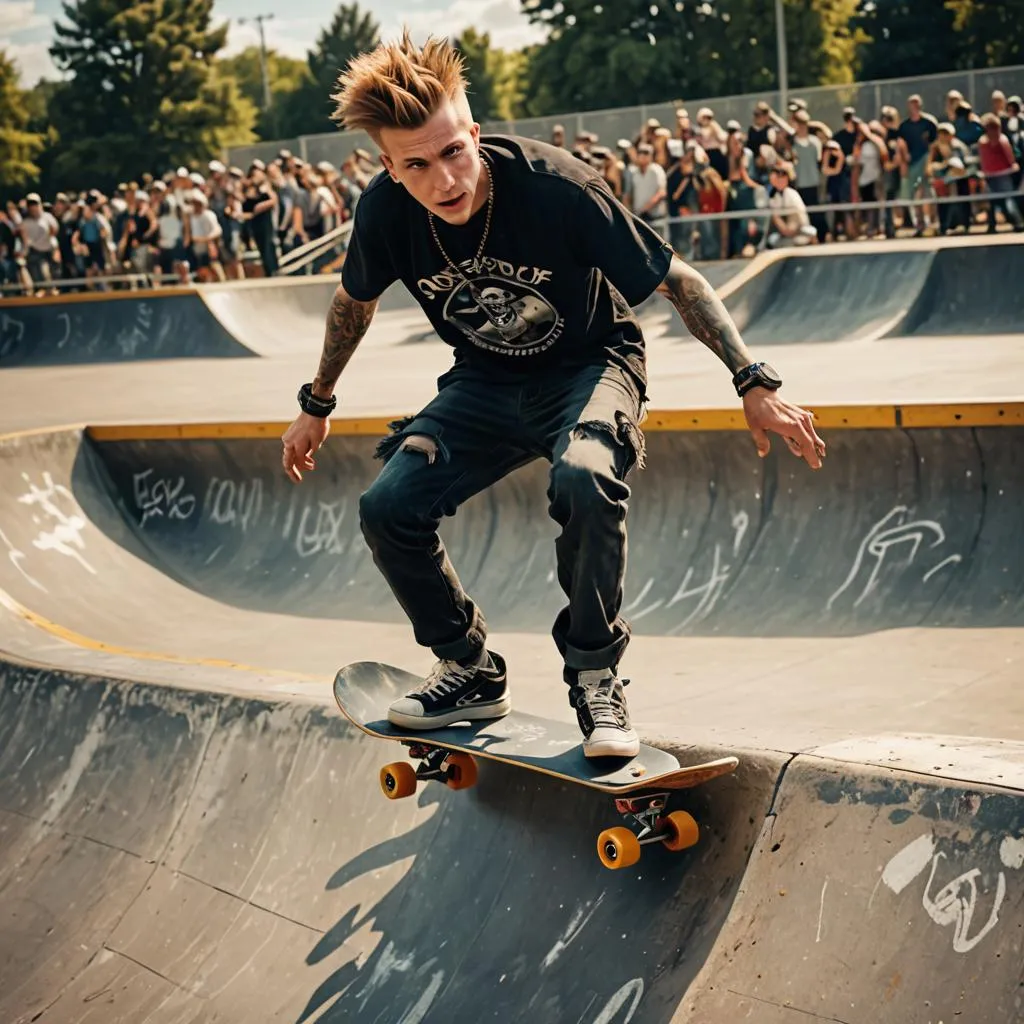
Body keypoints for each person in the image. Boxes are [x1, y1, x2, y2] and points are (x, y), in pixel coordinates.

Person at [279, 33, 825, 759]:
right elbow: (354, 304)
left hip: (593, 365)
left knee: (585, 476)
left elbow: (679, 282)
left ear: (473, 133)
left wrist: (753, 382)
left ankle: (596, 675)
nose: (446, 180)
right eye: (418, 164)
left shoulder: (557, 187)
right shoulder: (384, 213)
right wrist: (317, 404)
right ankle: (468, 668)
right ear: (389, 165)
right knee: (387, 506)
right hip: (483, 381)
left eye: (454, 152)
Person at [978, 113, 1024, 232]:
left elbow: (1009, 157)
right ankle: (993, 225)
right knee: (993, 202)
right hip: (991, 175)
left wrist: (1012, 166)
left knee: (1008, 200)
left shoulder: (1000, 140)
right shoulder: (984, 142)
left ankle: (1017, 222)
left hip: (1002, 174)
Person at [765, 162, 818, 248]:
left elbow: (797, 221)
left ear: (786, 179)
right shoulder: (774, 196)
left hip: (799, 229)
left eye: (781, 178)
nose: (778, 181)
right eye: (776, 178)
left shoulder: (792, 194)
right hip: (783, 233)